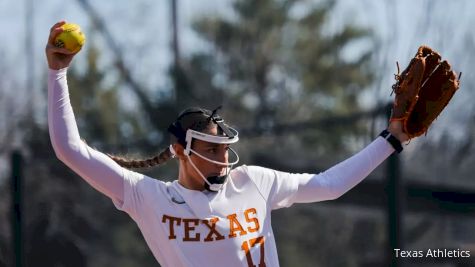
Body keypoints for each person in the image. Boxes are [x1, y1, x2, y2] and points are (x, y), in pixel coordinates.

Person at [46, 21, 409, 267]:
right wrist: (57, 73)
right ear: (179, 151)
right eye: (211, 150)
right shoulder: (148, 197)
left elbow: (329, 186)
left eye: (223, 148)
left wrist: (392, 139)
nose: (224, 160)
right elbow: (69, 148)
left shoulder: (253, 182)